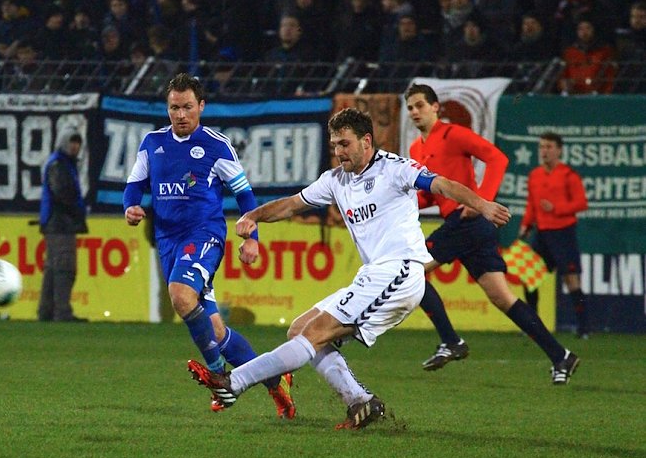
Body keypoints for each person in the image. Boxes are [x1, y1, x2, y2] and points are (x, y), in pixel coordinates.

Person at [187, 107, 512, 429]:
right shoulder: (335, 180)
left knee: (314, 334)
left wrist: (481, 203)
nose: (338, 151)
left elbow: (441, 185)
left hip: (401, 272)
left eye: (345, 144)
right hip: (374, 275)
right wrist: (254, 216)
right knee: (300, 329)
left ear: (366, 141)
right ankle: (360, 402)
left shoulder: (395, 168)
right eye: (335, 145)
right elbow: (291, 204)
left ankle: (233, 382)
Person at [123, 73, 295, 418]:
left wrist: (252, 239)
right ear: (167, 108)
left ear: (201, 106)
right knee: (215, 330)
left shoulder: (216, 146)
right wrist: (130, 206)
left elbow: (245, 194)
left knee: (180, 295)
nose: (181, 114)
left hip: (205, 236)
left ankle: (219, 376)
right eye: (174, 108)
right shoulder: (152, 143)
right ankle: (278, 382)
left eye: (188, 107)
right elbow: (134, 184)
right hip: (169, 240)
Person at [404, 83, 581, 385]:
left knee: (409, 273)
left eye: (420, 105)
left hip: (468, 220)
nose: (415, 112)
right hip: (467, 224)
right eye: (410, 108)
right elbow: (432, 196)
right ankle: (561, 355)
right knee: (503, 297)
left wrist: (483, 202)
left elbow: (497, 158)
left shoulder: (453, 134)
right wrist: (408, 203)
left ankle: (450, 341)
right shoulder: (416, 149)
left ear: (436, 107)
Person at [518, 132, 589, 338]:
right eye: (541, 147)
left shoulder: (569, 175)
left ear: (559, 150)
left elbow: (581, 203)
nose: (544, 151)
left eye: (549, 147)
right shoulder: (535, 175)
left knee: (571, 281)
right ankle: (532, 325)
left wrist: (556, 207)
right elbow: (532, 204)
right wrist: (525, 225)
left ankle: (583, 328)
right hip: (542, 233)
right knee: (529, 277)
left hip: (563, 233)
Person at [38, 129, 88, 323]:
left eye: (77, 143)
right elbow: (62, 193)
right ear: (64, 143)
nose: (75, 146)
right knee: (65, 268)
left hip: (55, 223)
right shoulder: (59, 165)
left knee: (53, 269)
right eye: (72, 142)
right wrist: (77, 209)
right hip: (60, 223)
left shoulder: (60, 162)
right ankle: (62, 312)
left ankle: (46, 311)